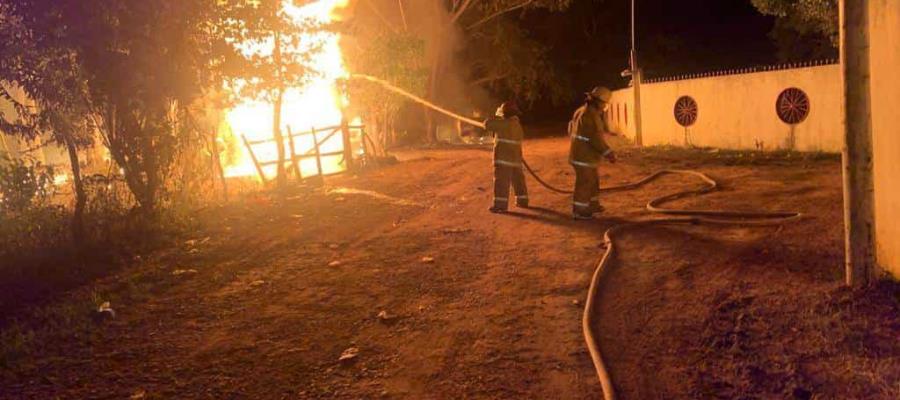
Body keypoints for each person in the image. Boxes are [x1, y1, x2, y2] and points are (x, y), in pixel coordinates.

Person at [568, 86, 617, 220]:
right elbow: (594, 139)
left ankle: (592, 205)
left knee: (593, 181)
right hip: (583, 156)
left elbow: (571, 129)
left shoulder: (581, 111)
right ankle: (580, 210)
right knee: (585, 183)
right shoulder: (589, 115)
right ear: (597, 101)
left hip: (584, 155)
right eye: (604, 103)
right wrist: (609, 153)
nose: (604, 106)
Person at [484, 100, 528, 213]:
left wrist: (495, 117)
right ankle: (522, 200)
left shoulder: (503, 124)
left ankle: (500, 205)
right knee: (518, 181)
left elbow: (487, 124)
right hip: (515, 158)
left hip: (504, 159)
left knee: (501, 182)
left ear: (504, 113)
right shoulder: (516, 124)